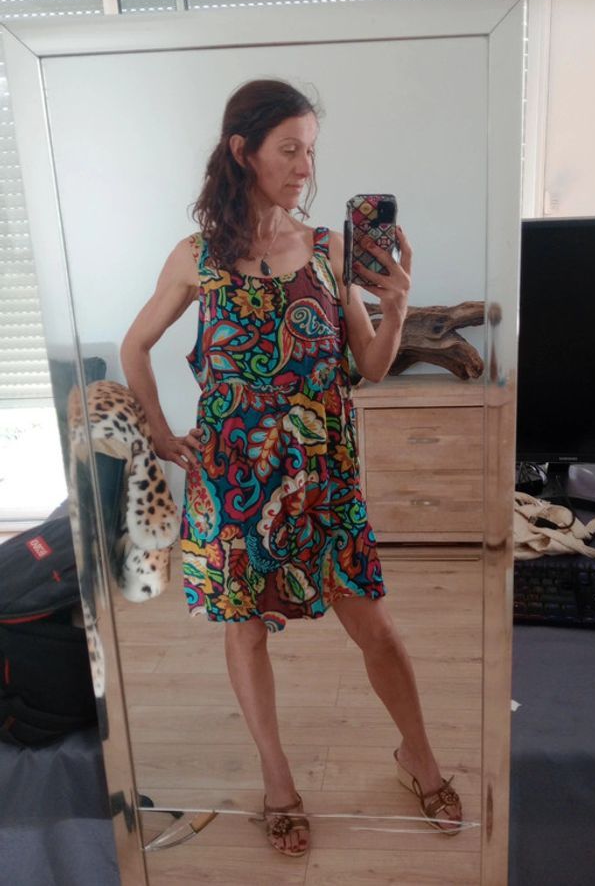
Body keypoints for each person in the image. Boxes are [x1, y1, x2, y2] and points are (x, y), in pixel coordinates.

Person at [120, 78, 462, 857]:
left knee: (376, 629)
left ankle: (418, 756)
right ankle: (278, 781)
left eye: (311, 150)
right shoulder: (197, 258)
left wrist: (397, 305)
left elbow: (370, 365)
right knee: (245, 635)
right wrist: (162, 432)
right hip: (234, 488)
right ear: (243, 152)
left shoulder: (329, 249)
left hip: (323, 486)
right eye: (290, 150)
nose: (306, 167)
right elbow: (134, 345)